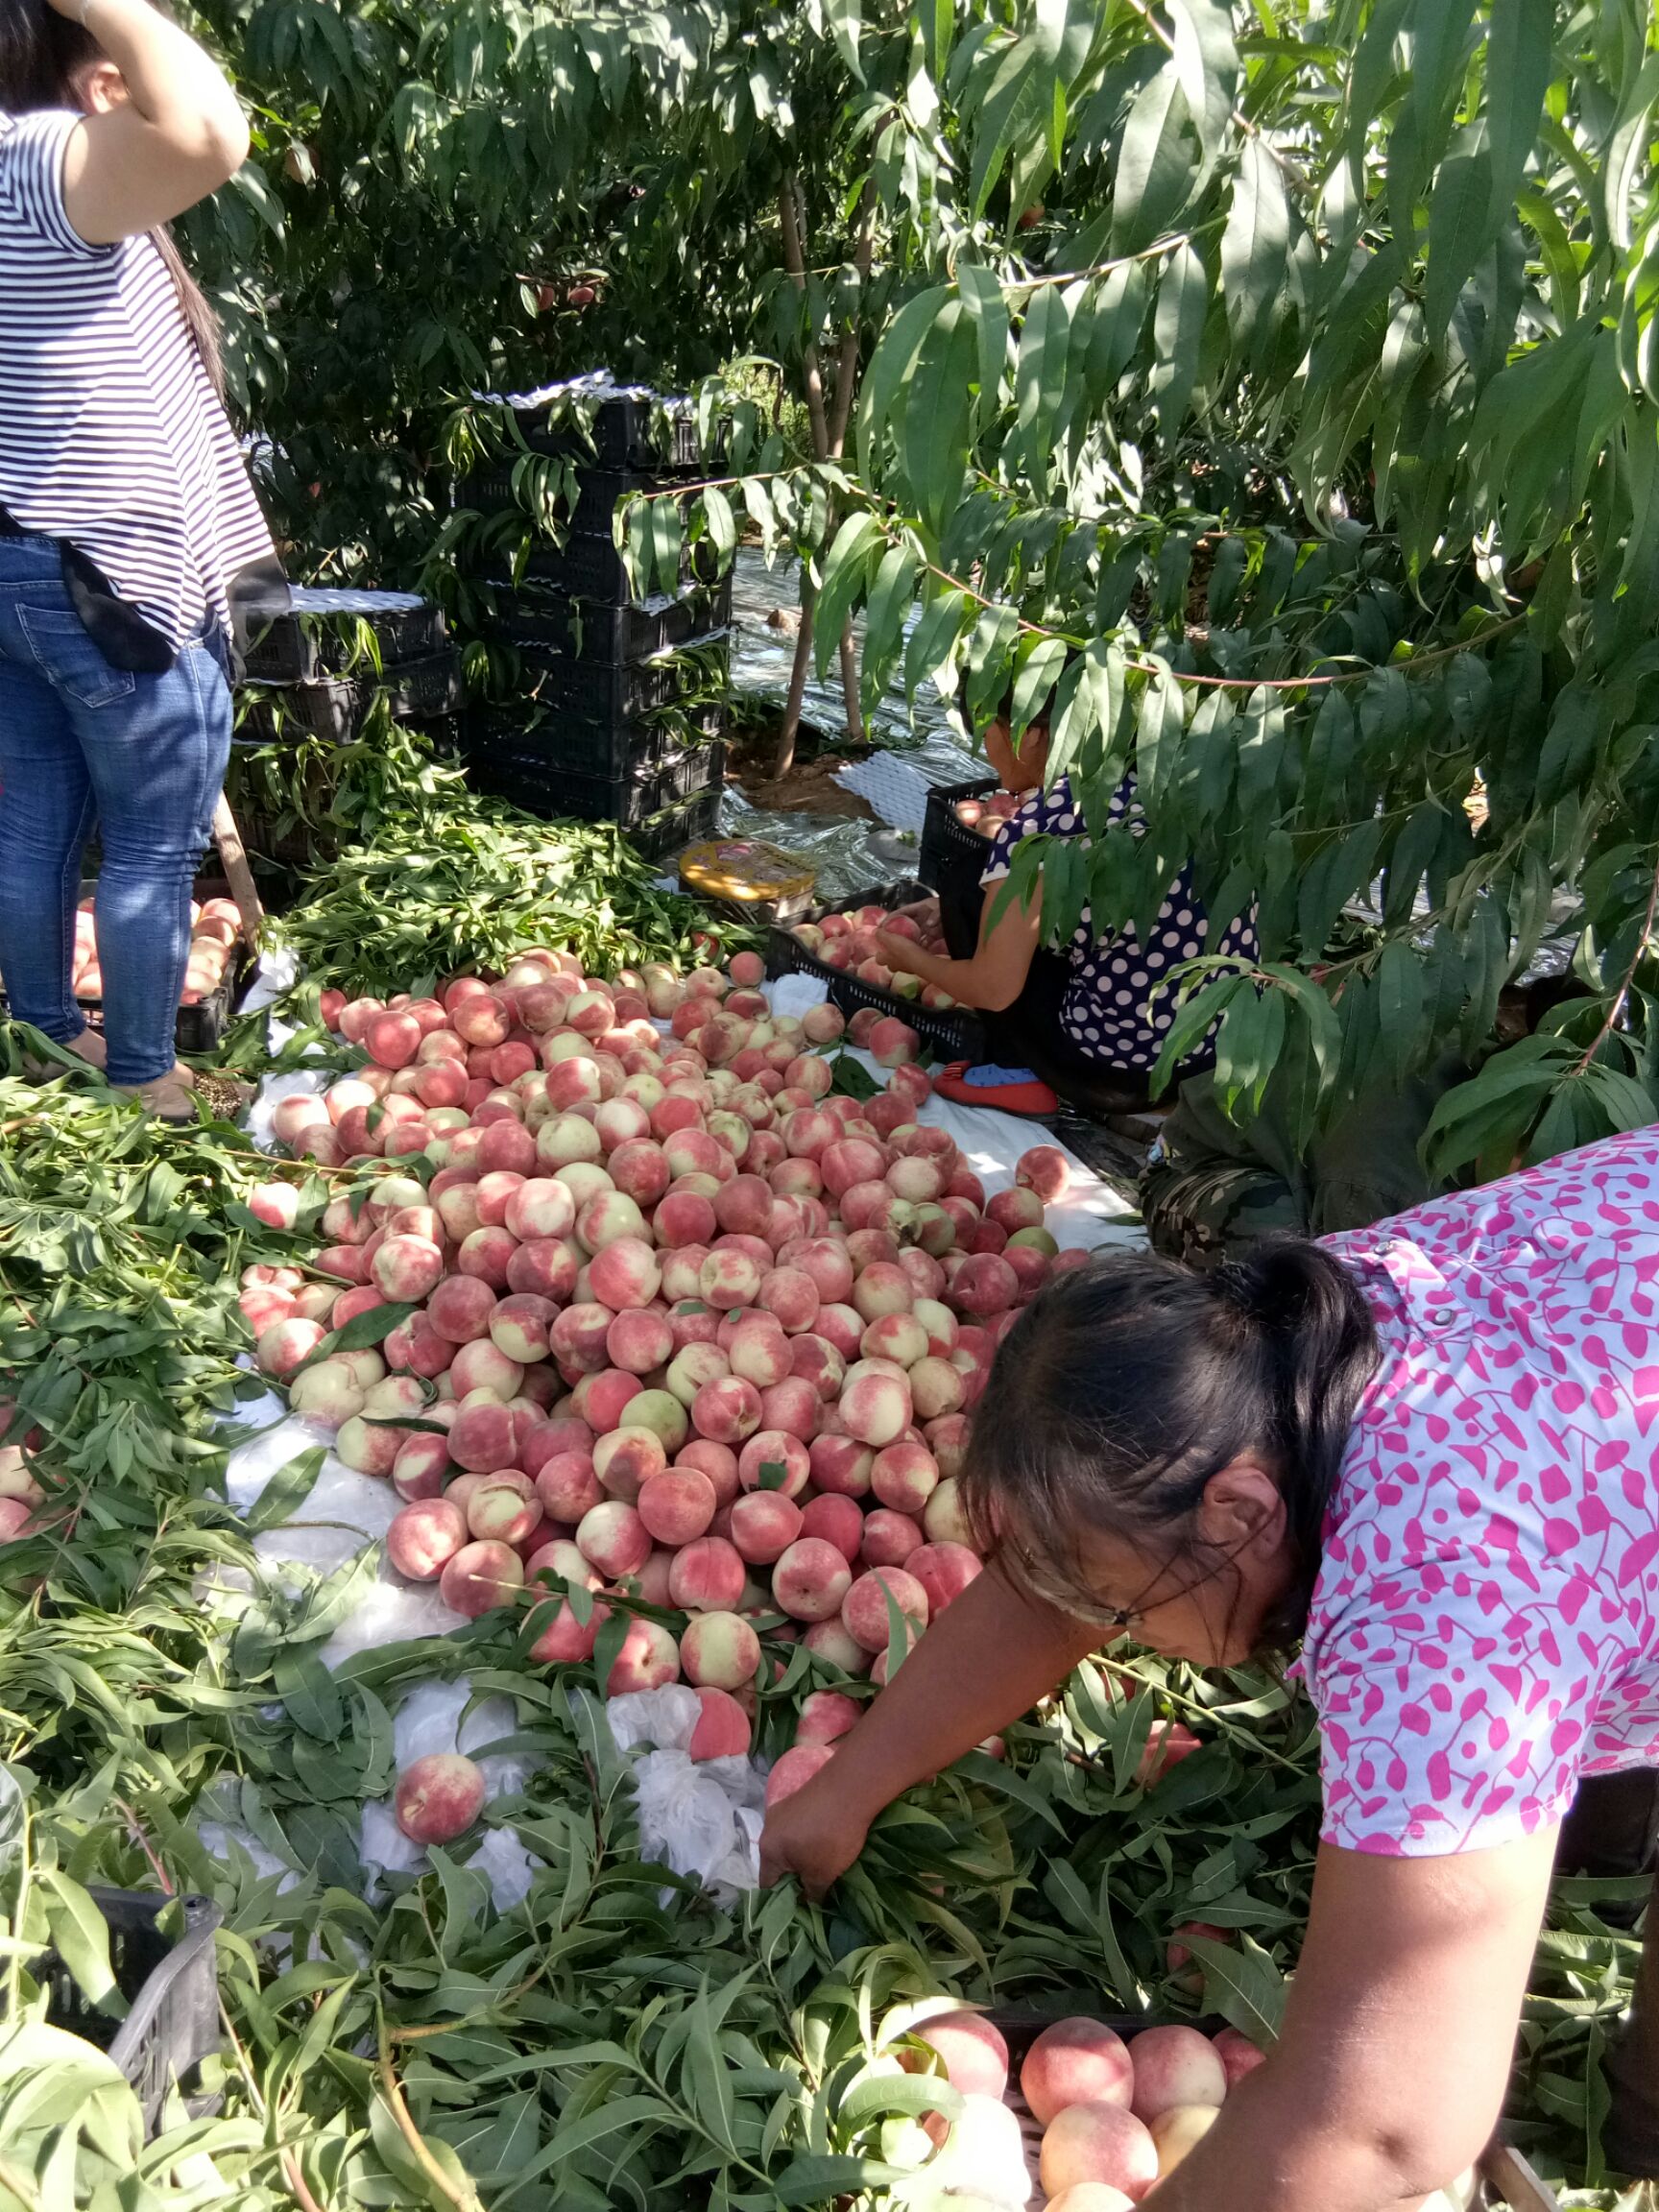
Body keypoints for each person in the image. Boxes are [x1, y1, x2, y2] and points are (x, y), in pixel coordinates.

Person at [759, 1125, 1659, 2199]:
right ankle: (1598, 1831)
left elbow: (1391, 2122)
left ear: (1237, 1514)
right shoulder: (1285, 1344)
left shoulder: (1439, 1622)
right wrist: (849, 1792)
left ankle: (1647, 2117)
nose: (1113, 1624)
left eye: (1124, 1606)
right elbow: (1063, 1578)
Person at [0, 0, 282, 1119]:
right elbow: (211, 132)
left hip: (25, 562)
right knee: (154, 847)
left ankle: (43, 1037)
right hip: (107, 576)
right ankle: (145, 1081)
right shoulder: (31, 158)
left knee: (37, 824)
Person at [877, 706, 1257, 1119]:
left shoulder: (1041, 828)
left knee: (968, 882)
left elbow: (993, 989)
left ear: (1032, 735)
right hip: (1217, 1054)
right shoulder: (1180, 784)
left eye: (987, 731)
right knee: (993, 893)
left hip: (1113, 1074)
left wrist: (911, 959)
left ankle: (1016, 1071)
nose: (985, 748)